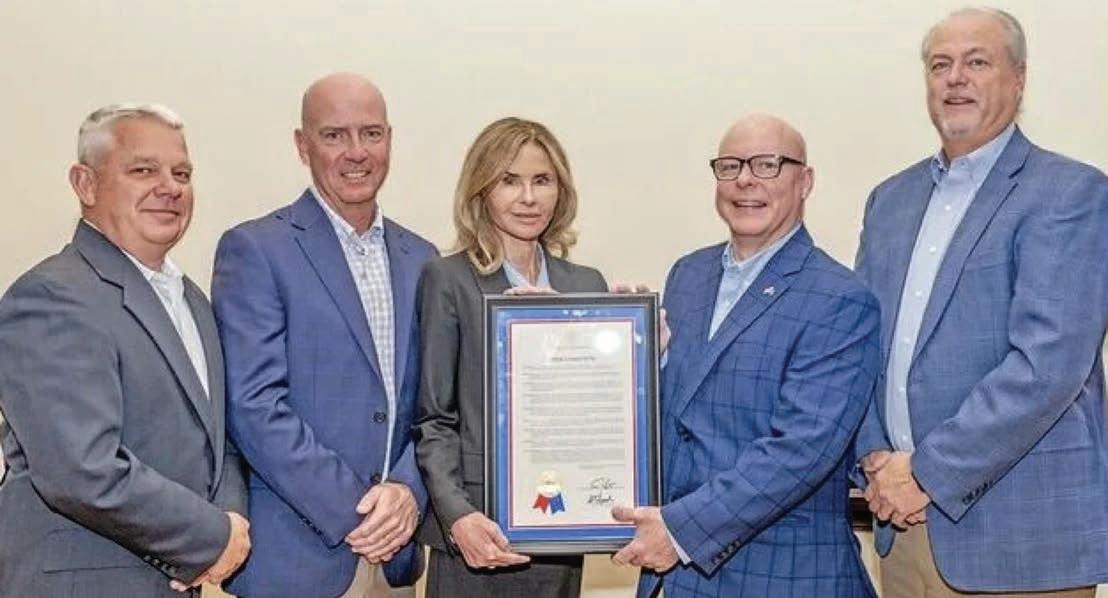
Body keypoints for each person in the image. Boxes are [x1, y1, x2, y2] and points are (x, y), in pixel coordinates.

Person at [855, 7, 1108, 597]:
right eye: (940, 65)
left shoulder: (1070, 193)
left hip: (1017, 539)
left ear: (1018, 80)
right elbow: (859, 345)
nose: (955, 78)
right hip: (901, 526)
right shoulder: (889, 202)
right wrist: (874, 459)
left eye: (977, 62)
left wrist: (925, 473)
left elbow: (1046, 367)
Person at [611, 114, 881, 598]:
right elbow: (686, 417)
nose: (745, 180)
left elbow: (801, 450)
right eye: (730, 166)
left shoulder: (839, 297)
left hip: (782, 576)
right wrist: (601, 350)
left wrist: (679, 531)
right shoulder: (688, 275)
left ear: (805, 181)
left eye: (767, 164)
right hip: (678, 580)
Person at [0, 103, 249, 597]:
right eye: (143, 170)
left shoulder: (193, 301)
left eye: (182, 173)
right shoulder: (51, 296)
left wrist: (230, 521)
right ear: (85, 184)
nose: (170, 187)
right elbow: (81, 469)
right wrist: (209, 537)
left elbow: (218, 442)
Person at [211, 73, 436, 598]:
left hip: (397, 557)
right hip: (298, 561)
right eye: (334, 135)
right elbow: (253, 406)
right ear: (302, 145)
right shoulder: (256, 250)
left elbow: (436, 406)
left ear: (389, 140)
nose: (357, 152)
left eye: (371, 133)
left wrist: (408, 490)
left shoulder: (424, 259)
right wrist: (360, 512)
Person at [414, 117, 608, 597]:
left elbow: (600, 414)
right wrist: (458, 517)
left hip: (561, 528)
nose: (528, 197)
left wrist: (639, 348)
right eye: (509, 181)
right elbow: (434, 419)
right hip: (476, 534)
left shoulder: (587, 285)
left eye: (542, 180)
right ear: (481, 189)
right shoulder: (449, 279)